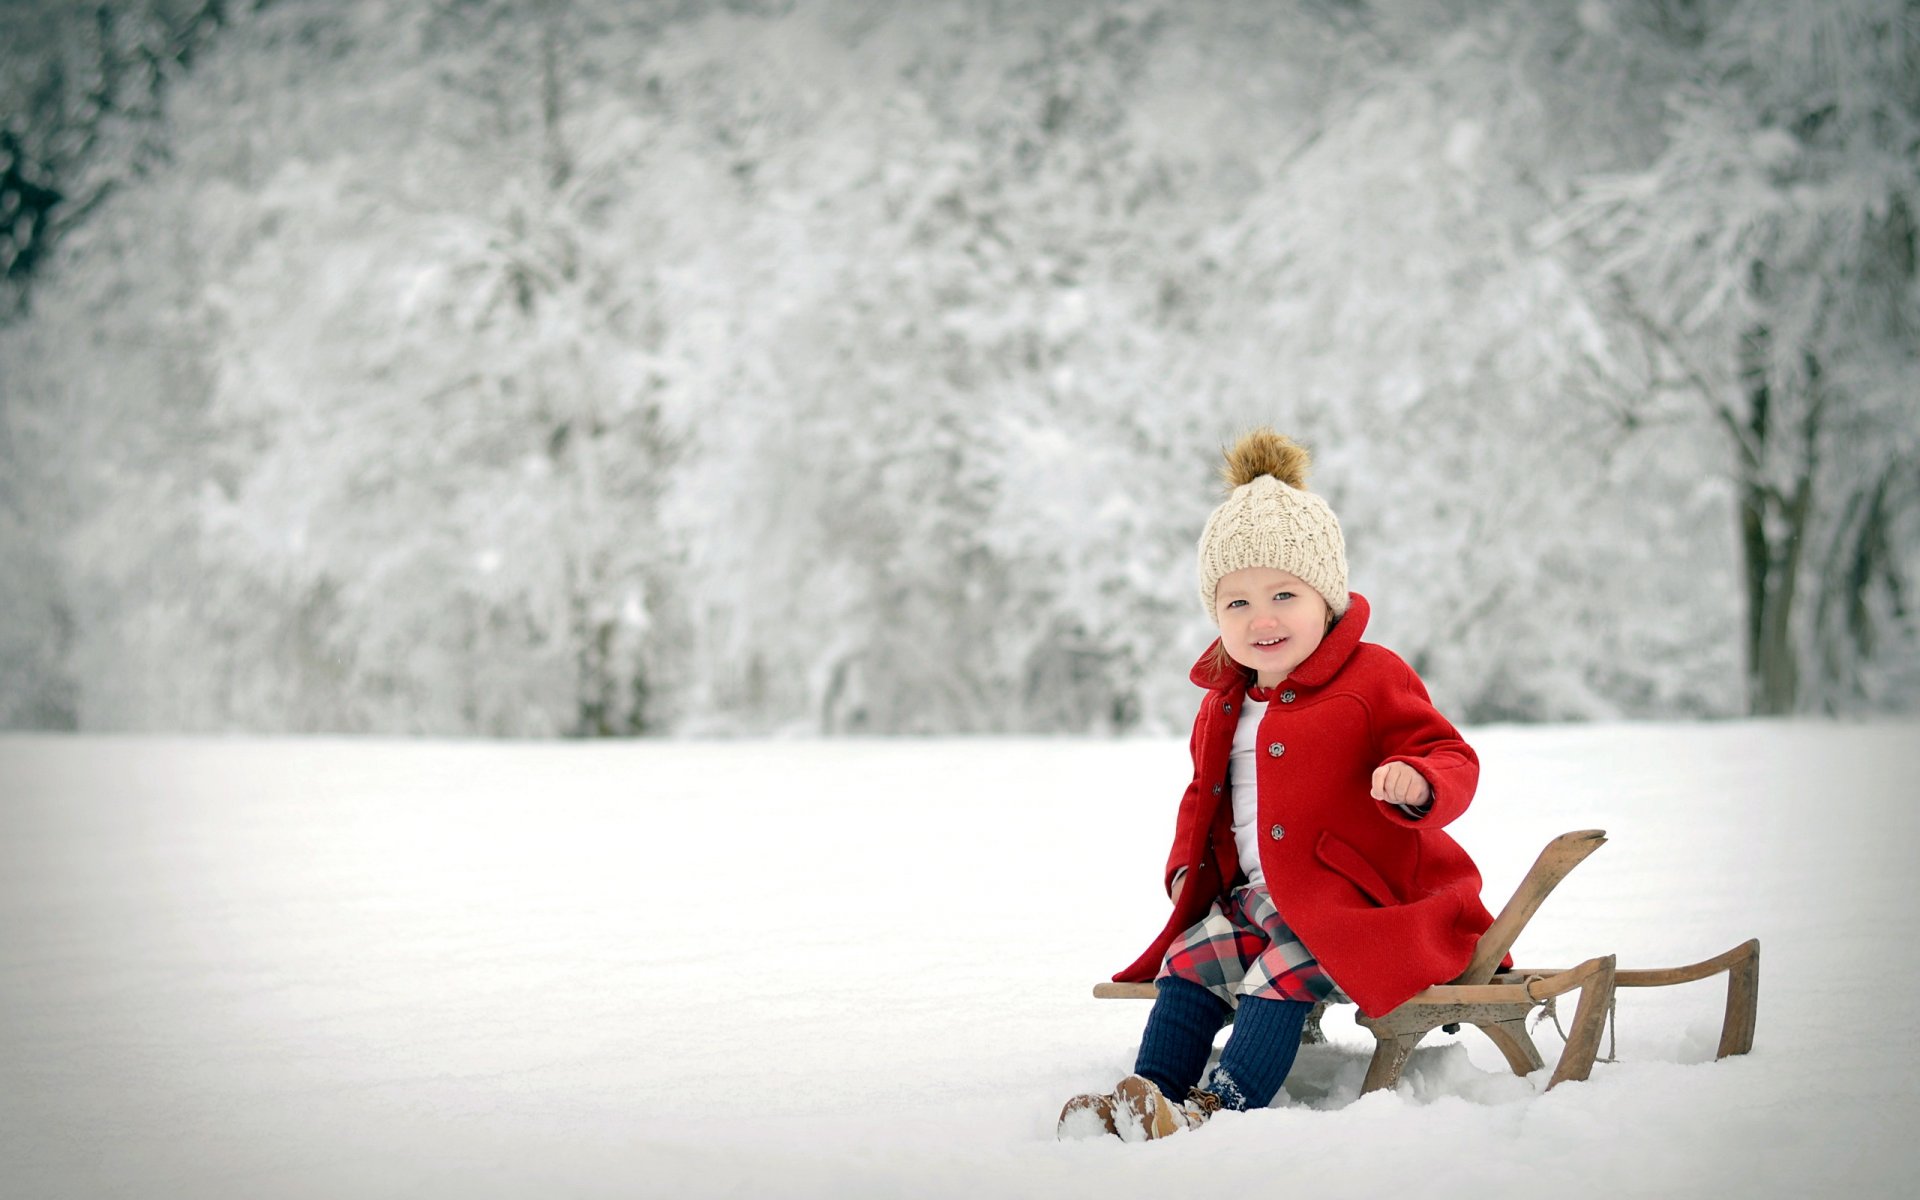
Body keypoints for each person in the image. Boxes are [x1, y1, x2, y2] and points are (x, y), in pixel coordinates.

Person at [1059, 428, 1496, 1142]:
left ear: (1325, 598)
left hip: (1351, 906)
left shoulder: (1372, 677)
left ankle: (1224, 1106)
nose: (1261, 619)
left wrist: (1417, 780)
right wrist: (1183, 869)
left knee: (1281, 970)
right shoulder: (1223, 703)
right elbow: (1203, 799)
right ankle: (1150, 1096)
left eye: (1283, 594)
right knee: (1191, 960)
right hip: (1254, 901)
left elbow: (1446, 751)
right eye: (1236, 604)